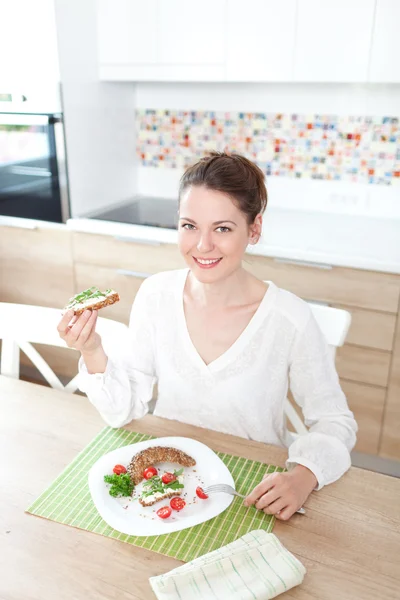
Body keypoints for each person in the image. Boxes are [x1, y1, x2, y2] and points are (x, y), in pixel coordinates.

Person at [57, 151, 357, 520]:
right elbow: (122, 412)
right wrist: (91, 349)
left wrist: (304, 476)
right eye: (189, 226)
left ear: (255, 229)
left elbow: (334, 420)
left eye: (223, 228)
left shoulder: (289, 318)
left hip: (253, 489)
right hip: (169, 485)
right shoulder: (155, 295)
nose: (202, 246)